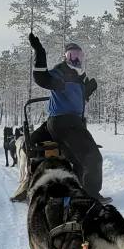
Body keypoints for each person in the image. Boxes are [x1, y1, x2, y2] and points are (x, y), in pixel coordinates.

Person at [30, 35, 101, 196]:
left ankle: (77, 189)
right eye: (71, 55)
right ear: (66, 57)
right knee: (93, 158)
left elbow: (75, 99)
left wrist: (87, 91)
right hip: (64, 123)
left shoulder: (78, 78)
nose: (75, 59)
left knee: (78, 158)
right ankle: (90, 195)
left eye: (78, 55)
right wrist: (40, 53)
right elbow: (42, 78)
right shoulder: (60, 73)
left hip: (69, 123)